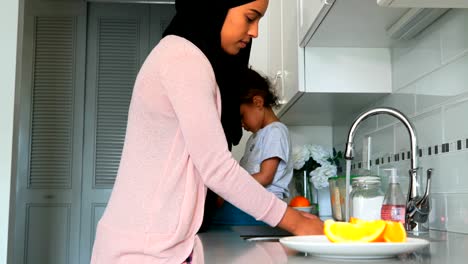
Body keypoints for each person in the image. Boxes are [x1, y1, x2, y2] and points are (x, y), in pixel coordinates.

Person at [90, 0, 323, 263]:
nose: (255, 32)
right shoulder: (184, 59)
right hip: (142, 251)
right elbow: (216, 167)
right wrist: (295, 222)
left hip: (153, 244)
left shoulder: (184, 56)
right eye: (250, 17)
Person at [212, 68, 293, 225]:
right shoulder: (257, 137)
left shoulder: (276, 131)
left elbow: (265, 176)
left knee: (211, 221)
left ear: (258, 102)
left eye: (242, 117)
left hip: (265, 208)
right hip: (253, 205)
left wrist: (228, 189)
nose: (242, 124)